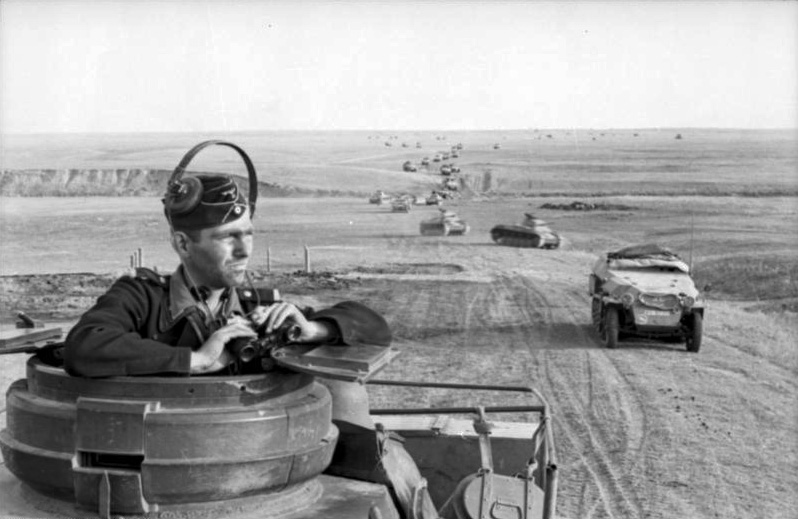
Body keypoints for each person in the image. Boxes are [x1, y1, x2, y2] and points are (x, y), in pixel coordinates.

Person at [63, 141, 391, 428]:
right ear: (183, 244)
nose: (244, 249)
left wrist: (312, 329)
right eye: (227, 237)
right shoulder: (142, 298)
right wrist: (197, 359)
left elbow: (375, 329)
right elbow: (84, 345)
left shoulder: (256, 306)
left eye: (248, 233)